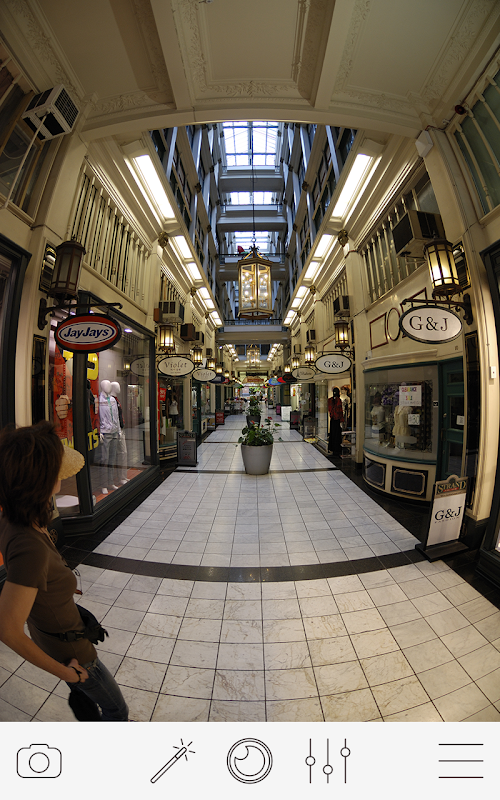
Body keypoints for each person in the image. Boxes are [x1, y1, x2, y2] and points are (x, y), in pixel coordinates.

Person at [0, 421, 129, 721]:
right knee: (116, 708)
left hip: (53, 633)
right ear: (42, 480)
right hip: (73, 651)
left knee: (89, 702)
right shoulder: (29, 545)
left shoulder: (15, 518)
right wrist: (68, 674)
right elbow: (7, 630)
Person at [328, 387, 344, 457]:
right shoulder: (337, 400)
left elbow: (331, 410)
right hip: (337, 419)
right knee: (336, 434)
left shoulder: (331, 400)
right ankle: (336, 449)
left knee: (333, 434)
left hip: (333, 419)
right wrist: (341, 420)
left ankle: (333, 449)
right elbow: (340, 411)